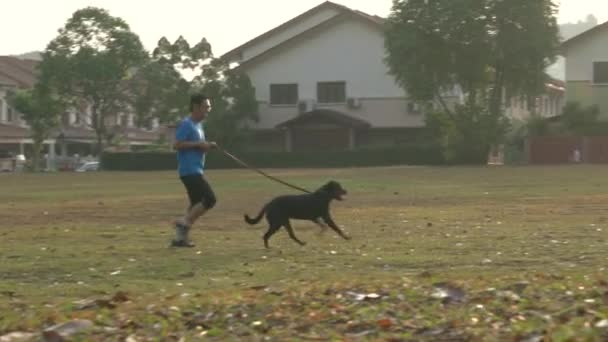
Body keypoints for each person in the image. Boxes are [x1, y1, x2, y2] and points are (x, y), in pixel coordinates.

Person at [171, 94, 218, 247]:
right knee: (210, 199)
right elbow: (177, 145)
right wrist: (199, 144)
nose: (208, 110)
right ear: (196, 107)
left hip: (196, 169)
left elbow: (197, 145)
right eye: (206, 107)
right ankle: (183, 222)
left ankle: (180, 239)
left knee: (195, 205)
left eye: (209, 107)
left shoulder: (199, 126)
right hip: (189, 170)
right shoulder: (187, 124)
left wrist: (207, 146)